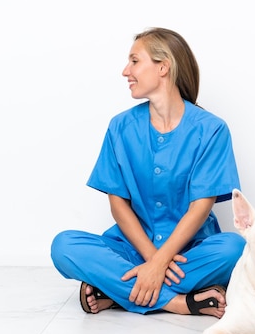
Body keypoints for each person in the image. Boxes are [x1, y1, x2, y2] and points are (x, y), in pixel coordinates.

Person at [50, 27, 245, 318]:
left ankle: (115, 290)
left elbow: (201, 208)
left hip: (189, 253)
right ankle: (177, 302)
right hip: (131, 249)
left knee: (236, 249)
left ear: (163, 66)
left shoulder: (211, 129)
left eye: (134, 61)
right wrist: (153, 261)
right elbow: (118, 203)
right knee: (64, 246)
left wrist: (160, 263)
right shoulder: (121, 127)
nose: (125, 71)